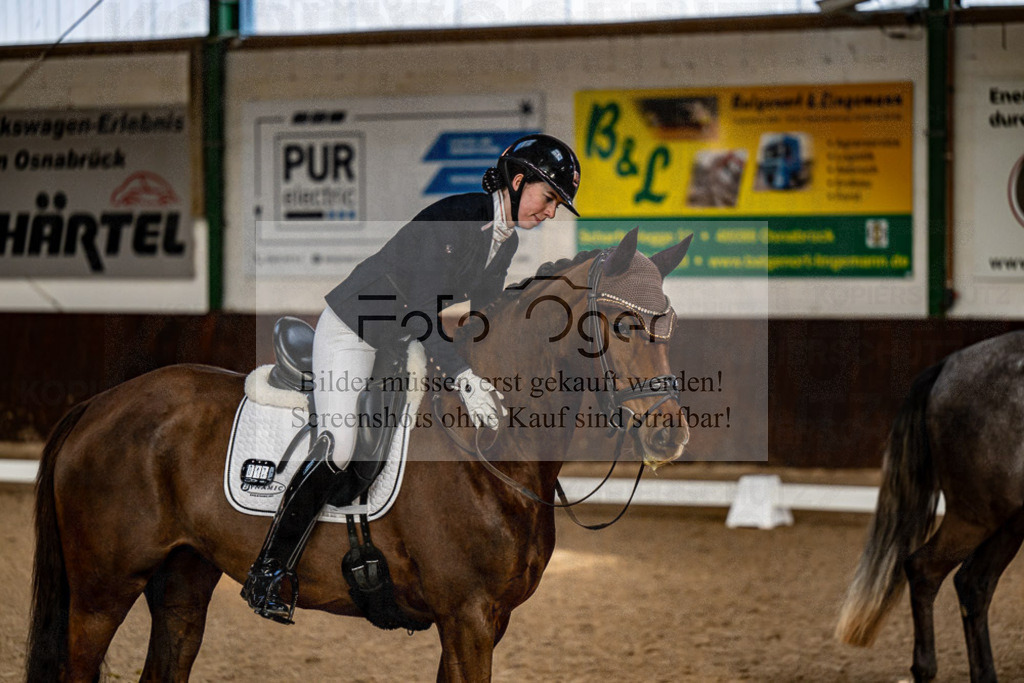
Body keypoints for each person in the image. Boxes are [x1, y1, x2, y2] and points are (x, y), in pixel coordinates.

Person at [241, 133, 582, 623]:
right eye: (549, 198)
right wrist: (463, 376)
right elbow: (426, 313)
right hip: (354, 330)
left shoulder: (502, 242)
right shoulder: (457, 217)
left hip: (401, 340)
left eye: (556, 205)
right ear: (520, 180)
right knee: (338, 447)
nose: (550, 212)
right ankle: (270, 569)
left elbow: (477, 314)